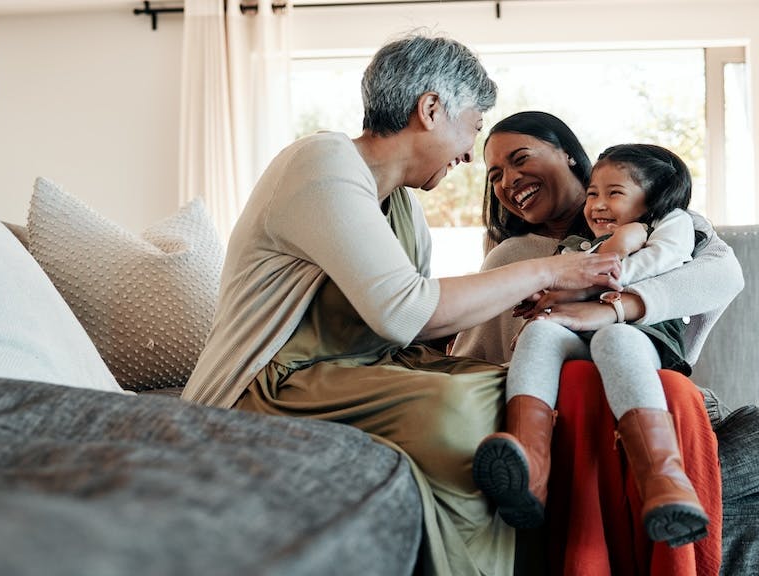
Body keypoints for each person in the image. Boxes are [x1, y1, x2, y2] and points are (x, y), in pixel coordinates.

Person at [180, 35, 627, 576]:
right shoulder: (321, 161)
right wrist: (549, 269)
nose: (468, 152)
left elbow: (409, 325)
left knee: (513, 388)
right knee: (461, 409)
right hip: (271, 382)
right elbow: (404, 311)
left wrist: (513, 306)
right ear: (431, 109)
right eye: (472, 125)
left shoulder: (403, 207)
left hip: (358, 370)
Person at [452, 111, 743, 574]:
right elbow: (477, 356)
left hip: (645, 369)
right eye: (495, 175)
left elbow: (723, 275)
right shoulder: (512, 256)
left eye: (520, 158)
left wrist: (612, 306)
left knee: (753, 430)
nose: (508, 181)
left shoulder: (657, 221)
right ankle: (530, 466)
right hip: (561, 398)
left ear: (569, 153)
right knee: (554, 349)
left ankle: (663, 483)